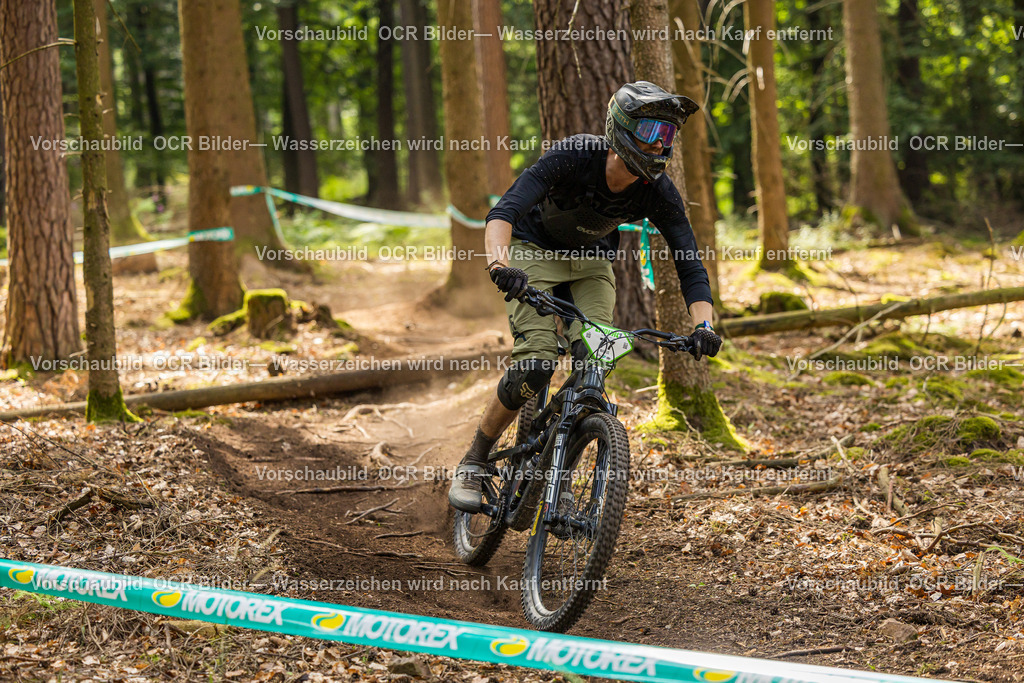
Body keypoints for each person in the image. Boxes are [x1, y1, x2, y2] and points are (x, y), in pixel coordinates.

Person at [448, 81, 723, 513]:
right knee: (537, 362)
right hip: (532, 252)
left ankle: (560, 470)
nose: (660, 144)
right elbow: (503, 211)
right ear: (622, 128)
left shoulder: (658, 190)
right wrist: (500, 266)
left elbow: (689, 264)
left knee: (595, 357)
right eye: (651, 131)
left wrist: (703, 326)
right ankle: (475, 460)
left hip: (591, 263)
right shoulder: (576, 154)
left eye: (668, 134)